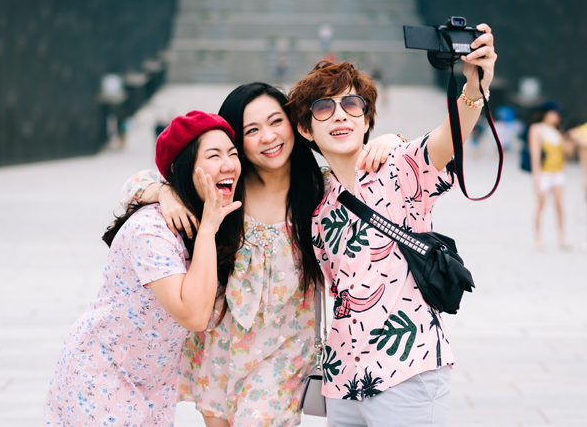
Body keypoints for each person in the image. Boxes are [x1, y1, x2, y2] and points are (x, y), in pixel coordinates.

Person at [118, 82, 403, 427]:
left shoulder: (321, 189)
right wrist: (163, 193)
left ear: (296, 125)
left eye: (276, 122)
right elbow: (135, 185)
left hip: (283, 356)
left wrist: (394, 140)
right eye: (252, 130)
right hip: (218, 352)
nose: (269, 137)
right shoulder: (226, 186)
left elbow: (385, 173)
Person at [286, 24, 496, 427]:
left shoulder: (400, 166)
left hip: (408, 368)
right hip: (344, 378)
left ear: (366, 118)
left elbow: (448, 138)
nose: (340, 115)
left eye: (351, 104)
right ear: (305, 128)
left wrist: (474, 87)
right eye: (323, 108)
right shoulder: (317, 204)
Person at [42, 111, 243, 427]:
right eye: (214, 155)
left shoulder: (215, 217)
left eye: (232, 153)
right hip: (102, 372)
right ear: (183, 167)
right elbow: (192, 314)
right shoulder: (151, 229)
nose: (229, 163)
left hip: (153, 383)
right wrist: (206, 229)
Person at [528, 101, 569, 249]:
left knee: (559, 205)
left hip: (558, 172)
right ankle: (538, 238)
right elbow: (535, 153)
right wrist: (536, 175)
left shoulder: (558, 131)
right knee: (541, 205)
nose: (557, 117)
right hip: (544, 173)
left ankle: (562, 238)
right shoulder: (537, 129)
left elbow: (567, 152)